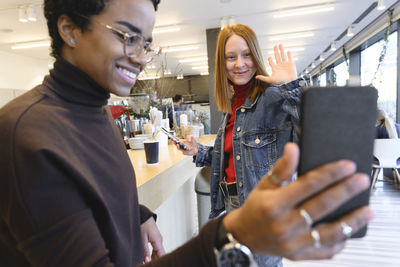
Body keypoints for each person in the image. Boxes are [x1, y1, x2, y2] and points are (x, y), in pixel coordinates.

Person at [0, 0, 373, 266]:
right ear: (69, 29)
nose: (142, 56)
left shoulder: (94, 111)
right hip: (230, 210)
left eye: (146, 43)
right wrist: (225, 235)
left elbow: (97, 187)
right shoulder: (26, 132)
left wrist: (138, 213)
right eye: (128, 36)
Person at [178, 24, 302, 266]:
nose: (239, 64)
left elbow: (310, 136)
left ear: (255, 56)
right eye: (231, 57)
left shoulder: (272, 98)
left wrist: (292, 87)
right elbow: (234, 154)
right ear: (222, 64)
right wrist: (198, 151)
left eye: (246, 55)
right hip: (230, 206)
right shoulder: (234, 104)